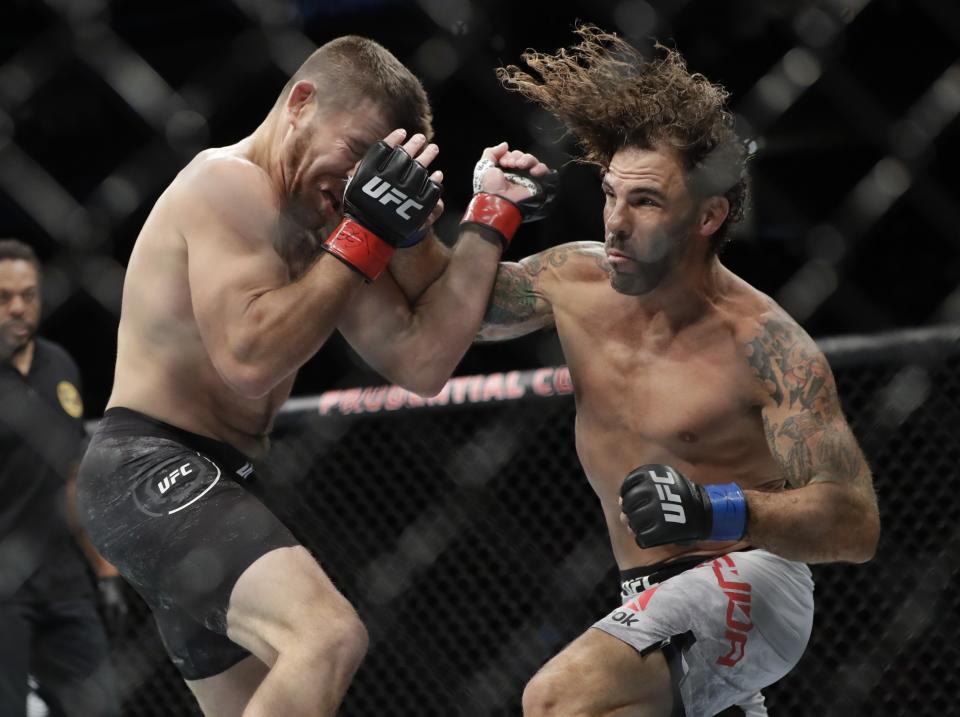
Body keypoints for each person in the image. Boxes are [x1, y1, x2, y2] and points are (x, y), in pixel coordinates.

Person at [75, 34, 554, 717]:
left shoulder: (328, 225)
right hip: (146, 467)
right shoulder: (228, 183)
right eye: (357, 151)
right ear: (301, 104)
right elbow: (249, 361)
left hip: (209, 481)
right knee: (326, 636)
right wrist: (366, 232)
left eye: (378, 168)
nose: (362, 180)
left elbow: (421, 362)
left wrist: (488, 218)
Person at [413, 26, 881, 716]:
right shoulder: (574, 277)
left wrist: (717, 505)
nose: (615, 223)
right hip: (645, 595)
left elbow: (854, 521)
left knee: (556, 698)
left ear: (708, 214)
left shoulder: (768, 344)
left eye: (646, 201)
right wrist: (459, 215)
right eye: (610, 194)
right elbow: (459, 313)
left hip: (755, 575)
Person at [0, 239, 123, 717]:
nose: (17, 308)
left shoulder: (60, 366)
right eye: (4, 296)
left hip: (65, 579)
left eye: (27, 295)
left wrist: (105, 572)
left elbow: (74, 480)